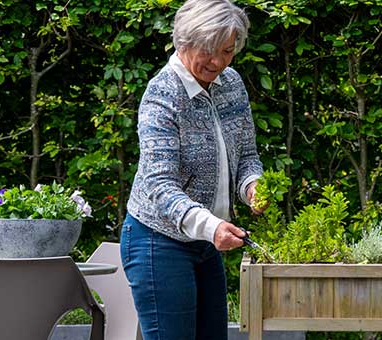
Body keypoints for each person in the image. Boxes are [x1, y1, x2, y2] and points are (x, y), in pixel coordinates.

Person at [120, 0, 264, 339]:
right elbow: (160, 184)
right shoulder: (162, 95)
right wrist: (212, 226)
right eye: (209, 51)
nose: (218, 62)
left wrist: (253, 186)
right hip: (158, 241)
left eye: (228, 51)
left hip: (204, 244)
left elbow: (246, 156)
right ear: (183, 42)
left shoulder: (231, 84)